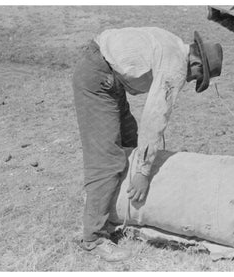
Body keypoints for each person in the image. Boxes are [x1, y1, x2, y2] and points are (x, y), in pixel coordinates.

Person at [72, 27, 223, 262]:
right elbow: (154, 118)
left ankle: (117, 212)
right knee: (107, 159)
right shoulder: (175, 66)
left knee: (129, 140)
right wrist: (143, 172)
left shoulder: (174, 43)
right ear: (196, 63)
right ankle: (94, 238)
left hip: (109, 74)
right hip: (98, 75)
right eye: (196, 77)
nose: (190, 80)